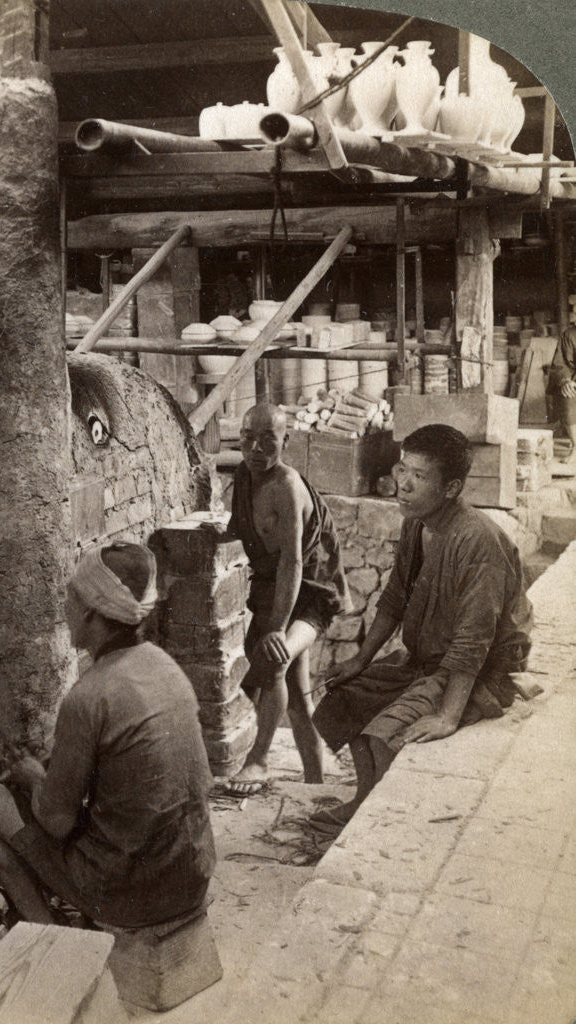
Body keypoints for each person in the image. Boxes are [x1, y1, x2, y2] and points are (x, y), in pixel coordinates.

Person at [0, 542, 216, 928]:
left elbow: (57, 822)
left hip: (134, 900)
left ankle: (51, 935)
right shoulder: (167, 668)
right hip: (191, 879)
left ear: (89, 611)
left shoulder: (88, 696)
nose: (64, 609)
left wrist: (34, 778)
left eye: (71, 597)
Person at [309, 423, 533, 836]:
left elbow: (474, 639)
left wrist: (448, 715)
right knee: (346, 700)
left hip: (477, 673)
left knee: (384, 735)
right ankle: (364, 801)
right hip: (425, 662)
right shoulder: (417, 523)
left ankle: (379, 824)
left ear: (451, 488)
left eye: (419, 476)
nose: (404, 485)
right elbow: (395, 597)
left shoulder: (477, 541)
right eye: (403, 469)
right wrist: (360, 659)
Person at [225, 403, 350, 791]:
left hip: (312, 593)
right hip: (277, 591)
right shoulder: (244, 477)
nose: (256, 448)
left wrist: (277, 627)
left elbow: (293, 562)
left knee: (275, 658)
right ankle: (315, 783)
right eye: (248, 438)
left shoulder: (287, 486)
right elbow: (237, 530)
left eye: (268, 439)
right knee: (296, 698)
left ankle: (259, 761)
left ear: (286, 441)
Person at [548, 325, 576, 463]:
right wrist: (566, 381)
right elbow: (561, 364)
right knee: (567, 395)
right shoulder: (569, 335)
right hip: (574, 381)